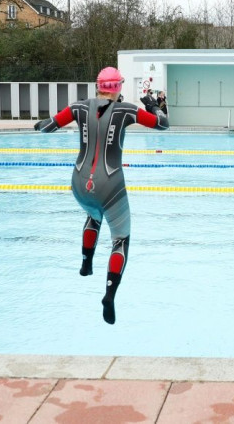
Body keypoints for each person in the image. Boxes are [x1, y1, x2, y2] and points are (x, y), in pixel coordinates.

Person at [33, 66, 169, 325]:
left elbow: (46, 127)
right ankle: (109, 294)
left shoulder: (78, 108)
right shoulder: (127, 110)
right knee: (120, 239)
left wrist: (38, 123)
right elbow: (163, 125)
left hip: (79, 182)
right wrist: (153, 105)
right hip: (111, 184)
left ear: (97, 87)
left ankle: (86, 263)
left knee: (93, 214)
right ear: (118, 88)